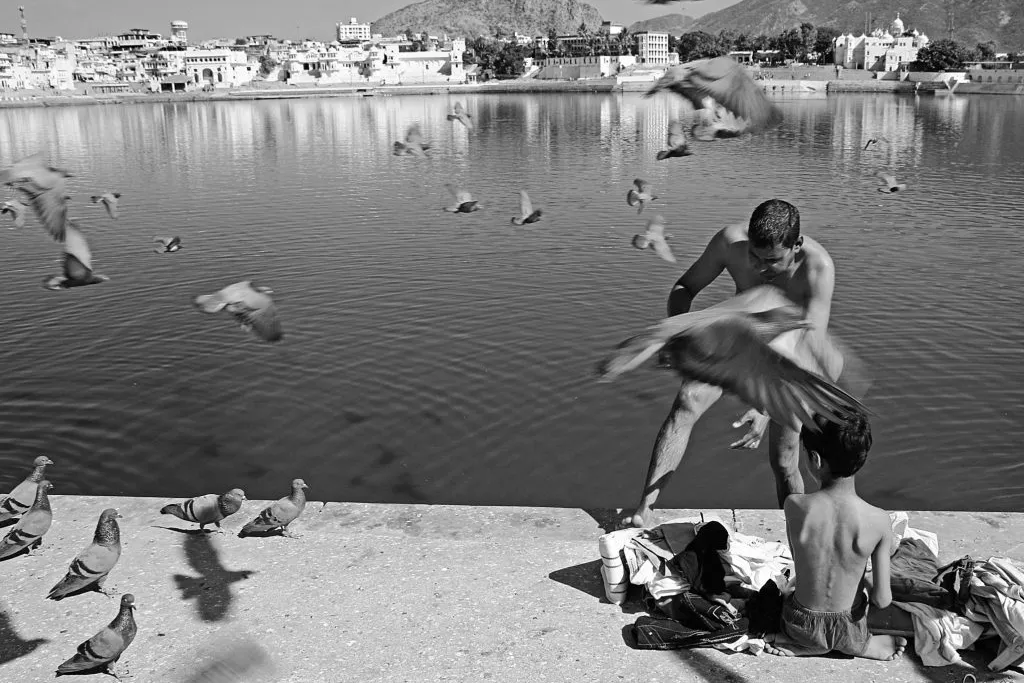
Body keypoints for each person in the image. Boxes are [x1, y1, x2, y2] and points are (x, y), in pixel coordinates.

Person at [622, 198, 839, 528]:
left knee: (783, 460)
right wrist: (680, 334)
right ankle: (645, 509)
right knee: (686, 401)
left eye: (771, 261)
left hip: (793, 360)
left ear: (796, 245)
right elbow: (685, 287)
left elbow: (809, 348)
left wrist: (766, 408)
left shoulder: (818, 268)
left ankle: (800, 531)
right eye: (753, 255)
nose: (759, 267)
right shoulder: (729, 242)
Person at [765, 413, 908, 661]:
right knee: (858, 612)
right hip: (849, 627)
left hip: (801, 625)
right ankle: (859, 645)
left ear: (815, 459)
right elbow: (882, 600)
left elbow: (800, 560)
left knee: (792, 599)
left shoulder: (795, 506)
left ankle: (809, 644)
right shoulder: (879, 520)